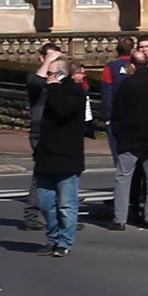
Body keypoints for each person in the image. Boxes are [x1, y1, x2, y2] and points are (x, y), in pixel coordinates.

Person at [107, 50, 148, 231]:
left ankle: (120, 219)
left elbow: (117, 112)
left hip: (130, 138)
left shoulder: (126, 85)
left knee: (123, 177)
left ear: (132, 65)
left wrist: (118, 133)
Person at [32, 56, 87, 258]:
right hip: (46, 155)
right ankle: (53, 236)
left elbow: (63, 111)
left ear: (61, 75)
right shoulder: (46, 90)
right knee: (46, 202)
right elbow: (33, 82)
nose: (47, 77)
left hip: (66, 156)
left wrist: (54, 87)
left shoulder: (75, 91)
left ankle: (64, 241)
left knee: (66, 204)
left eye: (51, 73)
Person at [21, 42, 62, 232]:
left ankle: (62, 216)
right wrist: (48, 63)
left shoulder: (60, 78)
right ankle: (32, 215)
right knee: (42, 173)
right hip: (41, 131)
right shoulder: (35, 77)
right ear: (41, 58)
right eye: (50, 57)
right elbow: (35, 82)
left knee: (62, 173)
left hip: (59, 130)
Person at [100, 36, 135, 163]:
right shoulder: (138, 65)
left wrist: (106, 116)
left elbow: (106, 92)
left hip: (117, 114)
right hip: (137, 113)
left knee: (118, 150)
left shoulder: (110, 67)